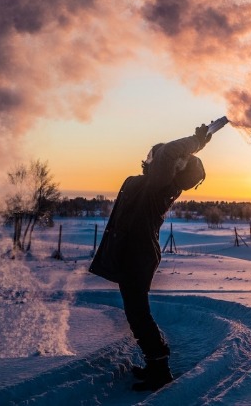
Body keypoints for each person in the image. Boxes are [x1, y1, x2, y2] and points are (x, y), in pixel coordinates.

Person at [89, 124, 212, 392]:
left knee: (138, 314)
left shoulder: (160, 185)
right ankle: (156, 364)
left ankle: (160, 369)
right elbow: (167, 155)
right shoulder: (154, 184)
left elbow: (169, 152)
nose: (149, 159)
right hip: (135, 254)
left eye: (153, 157)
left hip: (138, 256)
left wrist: (196, 142)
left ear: (170, 167)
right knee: (137, 313)